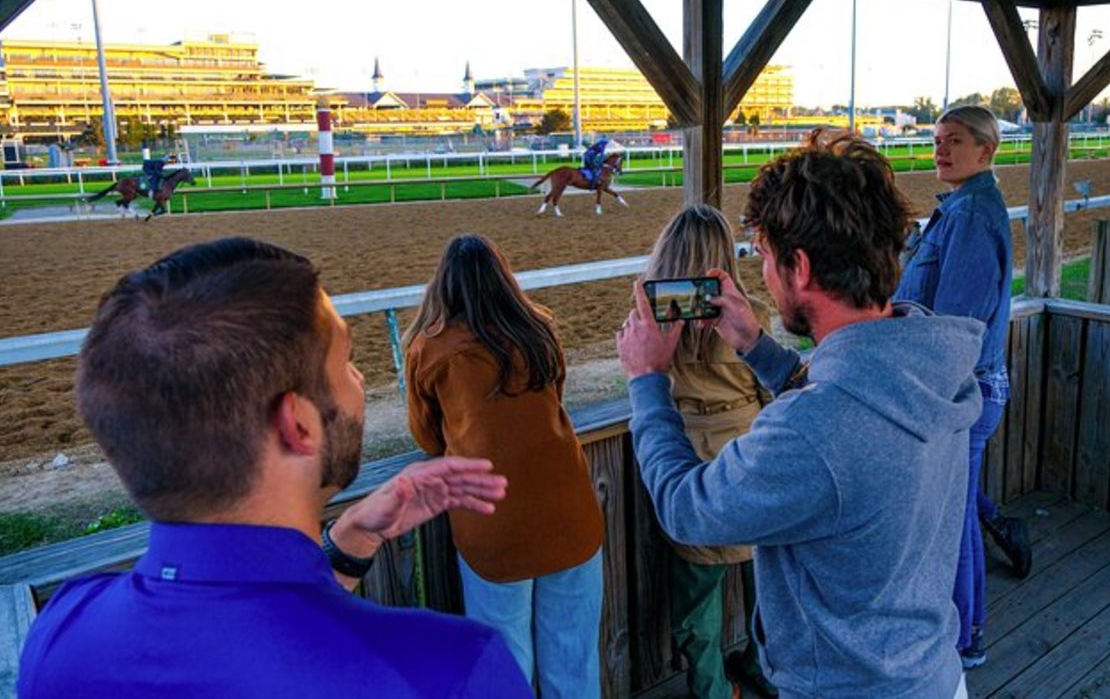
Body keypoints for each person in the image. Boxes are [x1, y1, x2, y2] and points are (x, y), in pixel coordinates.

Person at [18, 237, 528, 698]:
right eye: (346, 362)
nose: (358, 379)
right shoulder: (450, 669)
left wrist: (349, 543)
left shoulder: (63, 628)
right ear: (298, 424)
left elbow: (230, 633)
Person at [618, 137, 984, 698]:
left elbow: (687, 510)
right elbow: (853, 401)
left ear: (801, 268)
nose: (761, 274)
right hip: (930, 670)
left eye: (765, 257)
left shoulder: (812, 429)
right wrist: (756, 347)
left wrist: (647, 380)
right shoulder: (930, 366)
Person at [403, 234, 604, 698]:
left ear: (443, 286)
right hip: (569, 514)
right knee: (573, 662)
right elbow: (553, 402)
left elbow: (428, 437)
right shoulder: (538, 330)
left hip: (493, 526)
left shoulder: (430, 350)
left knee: (507, 666)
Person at [896, 105, 1026, 669]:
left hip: (959, 392)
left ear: (986, 150)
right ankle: (966, 630)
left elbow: (953, 327)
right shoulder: (961, 208)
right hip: (969, 387)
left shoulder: (971, 214)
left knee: (954, 517)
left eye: (953, 141)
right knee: (962, 506)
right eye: (937, 140)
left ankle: (965, 639)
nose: (940, 151)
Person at [644, 205, 776, 699]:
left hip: (688, 457)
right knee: (766, 581)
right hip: (749, 452)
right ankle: (765, 668)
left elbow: (644, 379)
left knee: (696, 599)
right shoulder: (750, 313)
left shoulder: (653, 317)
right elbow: (769, 388)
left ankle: (713, 689)